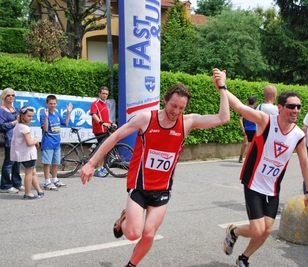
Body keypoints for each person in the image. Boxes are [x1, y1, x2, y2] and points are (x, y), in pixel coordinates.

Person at [79, 70, 229, 267]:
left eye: (181, 108)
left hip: (162, 189)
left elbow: (223, 118)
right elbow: (115, 137)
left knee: (149, 234)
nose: (176, 111)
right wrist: (91, 163)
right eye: (173, 105)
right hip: (139, 185)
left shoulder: (187, 122)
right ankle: (123, 219)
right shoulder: (146, 119)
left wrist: (222, 88)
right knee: (133, 234)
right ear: (165, 100)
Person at [218, 86, 308, 267]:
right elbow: (239, 107)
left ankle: (243, 258)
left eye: (299, 107)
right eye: (291, 106)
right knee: (257, 229)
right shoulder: (266, 121)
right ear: (280, 107)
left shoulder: (298, 135)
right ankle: (234, 232)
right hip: (254, 183)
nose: (296, 110)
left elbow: (304, 162)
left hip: (272, 188)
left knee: (266, 230)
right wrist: (222, 87)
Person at [11, 106, 44, 199]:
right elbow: (29, 142)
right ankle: (28, 193)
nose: (31, 118)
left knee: (32, 172)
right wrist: (36, 141)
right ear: (22, 115)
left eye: (32, 116)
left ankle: (39, 190)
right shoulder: (25, 128)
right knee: (29, 173)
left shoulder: (18, 126)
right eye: (29, 116)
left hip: (24, 153)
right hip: (27, 154)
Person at [40, 95, 72, 190]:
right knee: (47, 163)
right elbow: (45, 129)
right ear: (47, 103)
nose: (53, 105)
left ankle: (55, 179)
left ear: (56, 103)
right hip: (48, 143)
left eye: (54, 103)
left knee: (55, 163)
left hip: (57, 143)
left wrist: (68, 113)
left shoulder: (57, 114)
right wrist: (46, 117)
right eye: (50, 103)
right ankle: (47, 182)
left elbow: (65, 123)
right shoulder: (44, 114)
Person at [0, 88, 23, 194]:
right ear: (4, 96)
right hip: (9, 139)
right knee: (9, 163)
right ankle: (5, 185)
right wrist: (14, 122)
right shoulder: (1, 110)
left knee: (17, 163)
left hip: (18, 138)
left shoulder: (16, 109)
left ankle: (17, 183)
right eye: (9, 95)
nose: (11, 97)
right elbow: (2, 126)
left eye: (13, 95)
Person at [90, 86, 117, 178]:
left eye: (106, 94)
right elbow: (94, 115)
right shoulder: (95, 103)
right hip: (99, 129)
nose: (105, 95)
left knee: (103, 149)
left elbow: (106, 117)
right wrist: (102, 123)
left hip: (105, 129)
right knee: (101, 150)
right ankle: (98, 169)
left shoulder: (105, 104)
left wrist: (111, 122)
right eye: (103, 93)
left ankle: (101, 167)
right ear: (99, 94)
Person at [238, 96, 257, 163]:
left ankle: (245, 157)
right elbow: (240, 119)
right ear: (255, 103)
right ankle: (243, 157)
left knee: (247, 144)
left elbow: (240, 119)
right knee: (248, 144)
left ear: (248, 101)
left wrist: (243, 128)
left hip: (250, 129)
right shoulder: (251, 110)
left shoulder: (247, 109)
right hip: (250, 129)